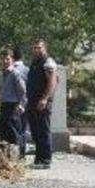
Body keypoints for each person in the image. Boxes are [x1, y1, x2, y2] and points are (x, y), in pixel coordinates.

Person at [25, 39, 58, 169]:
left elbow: (52, 82)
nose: (36, 50)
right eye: (34, 47)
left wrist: (44, 99)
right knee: (35, 131)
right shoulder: (34, 62)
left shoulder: (48, 62)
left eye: (39, 47)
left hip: (42, 101)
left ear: (45, 48)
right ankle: (38, 158)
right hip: (33, 101)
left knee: (43, 130)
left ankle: (45, 160)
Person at [0, 48, 27, 157]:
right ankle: (6, 158)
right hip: (4, 105)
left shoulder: (15, 73)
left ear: (12, 60)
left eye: (7, 59)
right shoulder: (2, 73)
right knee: (3, 133)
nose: (5, 61)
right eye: (3, 59)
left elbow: (22, 90)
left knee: (13, 133)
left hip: (13, 106)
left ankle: (18, 158)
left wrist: (21, 104)